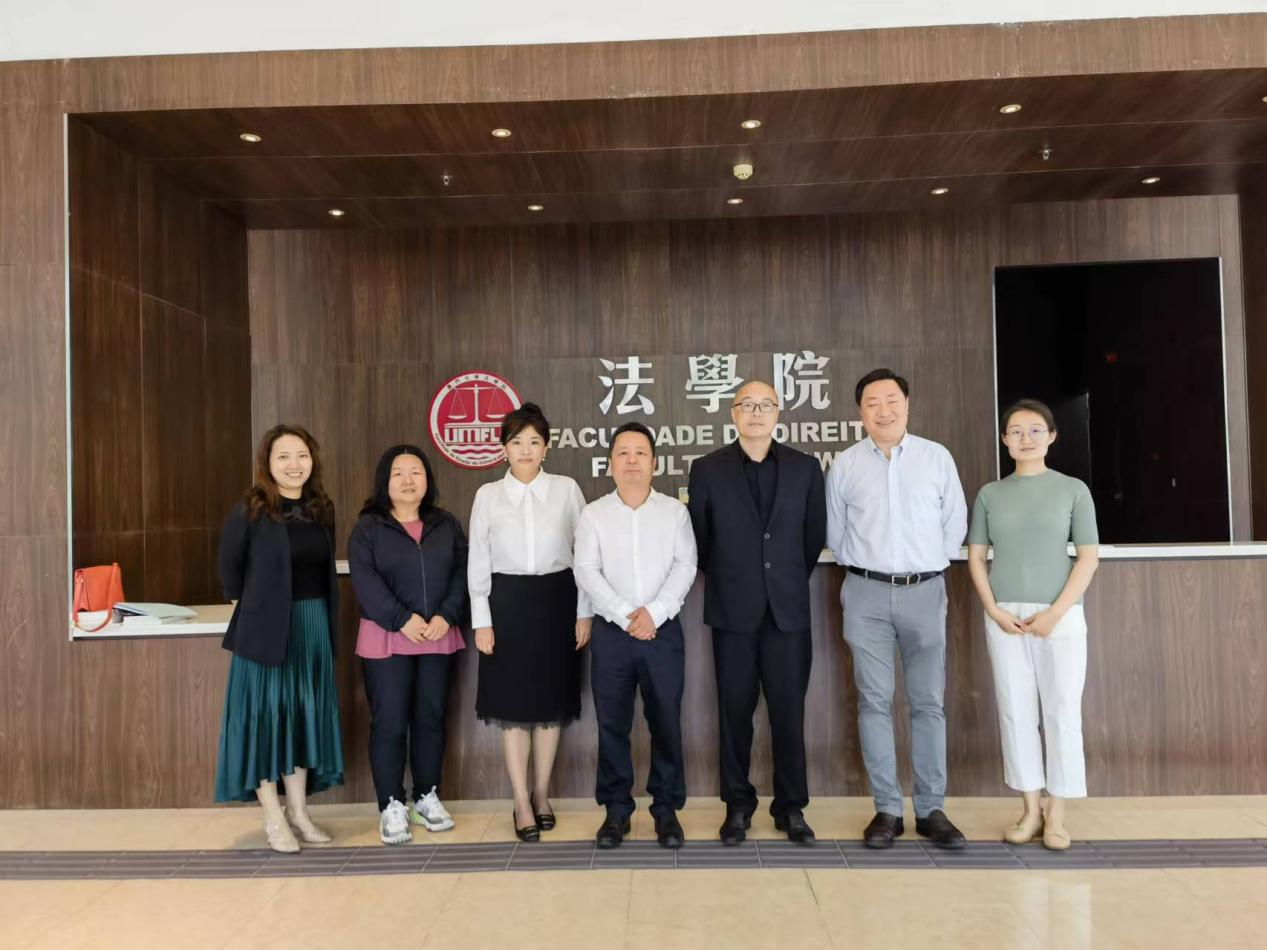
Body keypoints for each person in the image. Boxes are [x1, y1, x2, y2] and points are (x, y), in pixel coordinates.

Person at [826, 368, 968, 850]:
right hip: (864, 593)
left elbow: (954, 524)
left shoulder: (936, 457)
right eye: (872, 403)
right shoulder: (845, 465)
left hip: (925, 590)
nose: (883, 411)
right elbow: (836, 533)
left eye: (892, 401)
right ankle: (887, 808)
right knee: (874, 701)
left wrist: (923, 566)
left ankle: (931, 809)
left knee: (928, 702)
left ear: (907, 405)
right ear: (860, 412)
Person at [687, 380, 826, 846]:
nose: (756, 412)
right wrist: (739, 579)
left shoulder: (805, 468)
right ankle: (737, 806)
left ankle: (791, 808)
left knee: (789, 713)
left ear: (778, 413)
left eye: (765, 405)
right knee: (734, 713)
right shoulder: (707, 469)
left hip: (788, 612)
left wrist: (780, 579)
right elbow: (700, 541)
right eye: (747, 405)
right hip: (733, 611)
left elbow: (812, 537)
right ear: (733, 414)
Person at [967, 399, 1099, 851]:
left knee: (1062, 712)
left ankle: (1057, 814)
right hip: (1005, 616)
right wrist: (994, 610)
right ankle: (1030, 809)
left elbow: (1088, 557)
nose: (1025, 438)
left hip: (1060, 616)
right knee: (1015, 711)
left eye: (1035, 430)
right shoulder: (990, 494)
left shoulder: (1073, 490)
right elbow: (977, 558)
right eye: (1016, 431)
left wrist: (1055, 613)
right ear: (1004, 439)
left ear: (1052, 436)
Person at [215, 424, 344, 852]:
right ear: (267, 463)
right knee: (267, 721)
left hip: (312, 626)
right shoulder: (251, 510)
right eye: (283, 456)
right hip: (266, 632)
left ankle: (299, 812)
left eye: (302, 455)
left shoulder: (321, 508)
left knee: (302, 719)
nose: (294, 464)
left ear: (313, 460)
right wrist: (257, 610)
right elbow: (229, 570)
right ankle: (273, 816)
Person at [469, 402, 593, 843]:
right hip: (506, 605)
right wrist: (482, 621)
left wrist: (583, 612)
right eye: (517, 441)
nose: (525, 449)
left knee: (549, 707)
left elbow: (585, 555)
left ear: (546, 447)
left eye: (534, 442)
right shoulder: (487, 495)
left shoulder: (566, 489)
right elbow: (478, 561)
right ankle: (520, 799)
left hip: (557, 601)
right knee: (513, 710)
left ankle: (542, 794)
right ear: (504, 448)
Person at [574, 422, 698, 850]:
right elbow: (586, 570)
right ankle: (616, 812)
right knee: (612, 723)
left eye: (640, 453)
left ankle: (666, 811)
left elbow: (685, 565)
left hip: (662, 632)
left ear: (654, 463)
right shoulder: (593, 514)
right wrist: (625, 614)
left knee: (666, 721)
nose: (632, 461)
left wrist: (654, 613)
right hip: (613, 633)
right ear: (610, 463)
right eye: (623, 453)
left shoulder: (674, 512)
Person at [348, 445, 469, 846]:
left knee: (430, 718)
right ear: (384, 481)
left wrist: (447, 615)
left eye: (415, 472)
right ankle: (391, 804)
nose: (407, 480)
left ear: (427, 480)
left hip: (437, 634)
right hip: (388, 638)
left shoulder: (446, 525)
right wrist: (401, 619)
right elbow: (365, 582)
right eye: (398, 473)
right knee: (390, 722)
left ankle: (426, 797)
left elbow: (461, 573)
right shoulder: (368, 528)